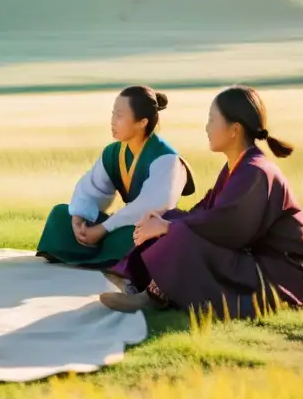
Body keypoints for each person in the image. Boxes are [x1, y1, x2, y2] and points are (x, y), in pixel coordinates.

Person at [101, 86, 303, 317]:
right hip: (257, 261)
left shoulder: (256, 171)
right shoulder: (237, 166)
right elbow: (205, 211)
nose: (207, 127)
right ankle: (139, 280)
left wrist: (168, 228)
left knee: (180, 233)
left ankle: (155, 296)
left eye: (212, 119)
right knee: (172, 219)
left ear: (234, 129)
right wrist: (164, 219)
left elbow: (229, 227)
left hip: (282, 274)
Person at [35, 86, 195, 268]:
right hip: (121, 223)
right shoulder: (114, 153)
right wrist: (79, 218)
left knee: (131, 237)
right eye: (113, 114)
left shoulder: (167, 159)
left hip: (150, 227)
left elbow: (150, 206)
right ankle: (100, 251)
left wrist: (103, 229)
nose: (112, 121)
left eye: (120, 116)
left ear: (142, 122)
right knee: (61, 214)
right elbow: (92, 188)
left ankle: (104, 253)